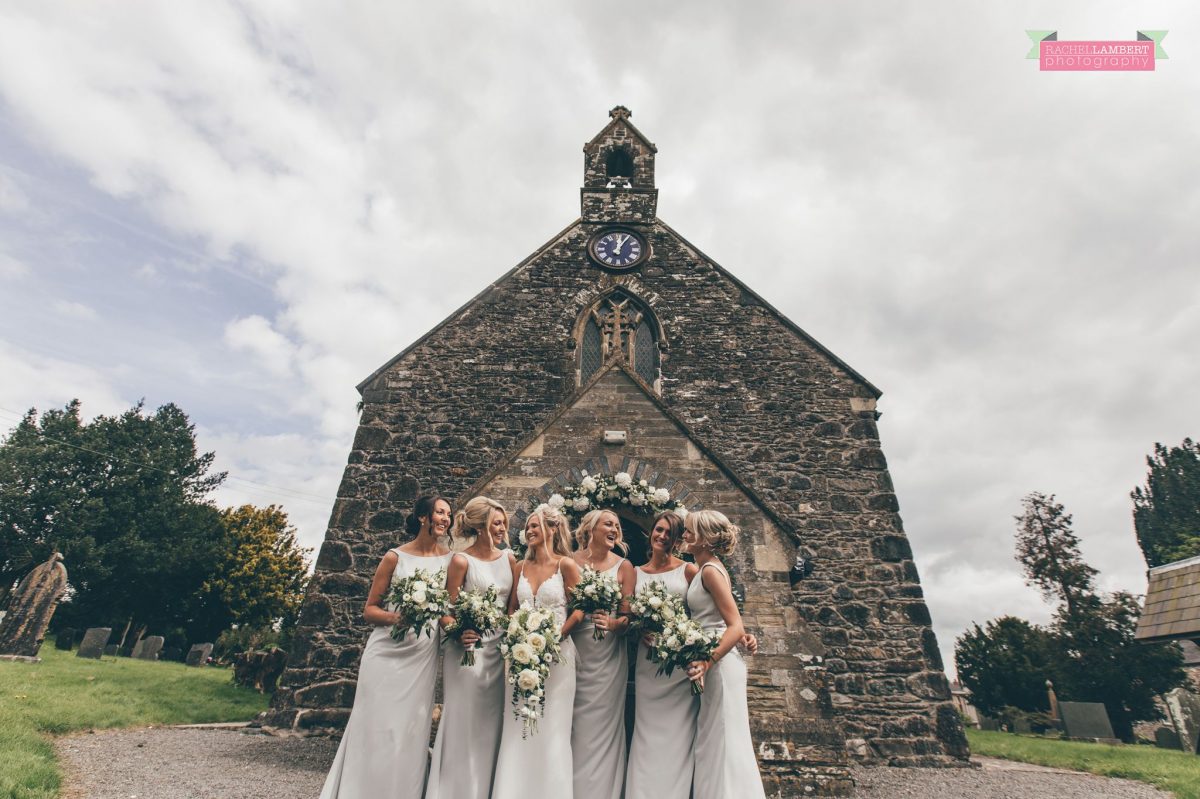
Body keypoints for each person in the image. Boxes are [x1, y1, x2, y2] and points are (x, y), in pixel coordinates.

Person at [319, 495, 453, 799]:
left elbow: (448, 611)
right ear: (423, 517)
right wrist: (399, 617)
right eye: (440, 512)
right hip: (385, 653)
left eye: (449, 514)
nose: (446, 518)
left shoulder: (449, 561)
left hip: (421, 656)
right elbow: (370, 610)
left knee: (409, 730)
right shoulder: (395, 557)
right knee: (375, 725)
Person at [425, 496, 516, 799]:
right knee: (464, 719)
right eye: (497, 522)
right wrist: (457, 632)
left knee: (491, 722)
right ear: (480, 526)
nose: (503, 527)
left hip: (497, 652)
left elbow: (512, 609)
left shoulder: (510, 559)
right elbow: (444, 610)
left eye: (504, 522)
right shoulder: (461, 560)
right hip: (467, 650)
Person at [491, 504, 583, 799]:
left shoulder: (565, 565)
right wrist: (517, 633)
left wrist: (557, 635)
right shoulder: (520, 566)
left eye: (535, 526)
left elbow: (580, 609)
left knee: (552, 727)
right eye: (528, 526)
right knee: (518, 721)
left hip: (557, 656)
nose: (529, 531)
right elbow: (512, 610)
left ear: (553, 529)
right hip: (520, 655)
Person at [682, 509, 767, 799]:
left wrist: (706, 662)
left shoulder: (709, 571)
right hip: (716, 656)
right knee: (713, 739)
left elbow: (734, 624)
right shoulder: (706, 567)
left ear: (705, 539)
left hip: (718, 663)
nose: (684, 535)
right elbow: (723, 620)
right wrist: (743, 638)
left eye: (690, 531)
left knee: (724, 739)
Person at [624, 511, 699, 799]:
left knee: (676, 739)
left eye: (669, 533)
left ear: (677, 539)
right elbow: (626, 617)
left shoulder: (689, 571)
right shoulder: (636, 572)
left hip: (678, 669)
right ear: (651, 532)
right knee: (646, 735)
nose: (662, 536)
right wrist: (637, 630)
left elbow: (702, 615)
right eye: (659, 530)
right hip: (647, 665)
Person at [569, 509, 635, 799]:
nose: (615, 530)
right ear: (591, 529)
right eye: (609, 524)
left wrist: (611, 624)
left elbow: (627, 619)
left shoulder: (624, 567)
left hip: (608, 657)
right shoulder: (569, 561)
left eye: (617, 526)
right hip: (573, 649)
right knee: (570, 724)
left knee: (601, 729)